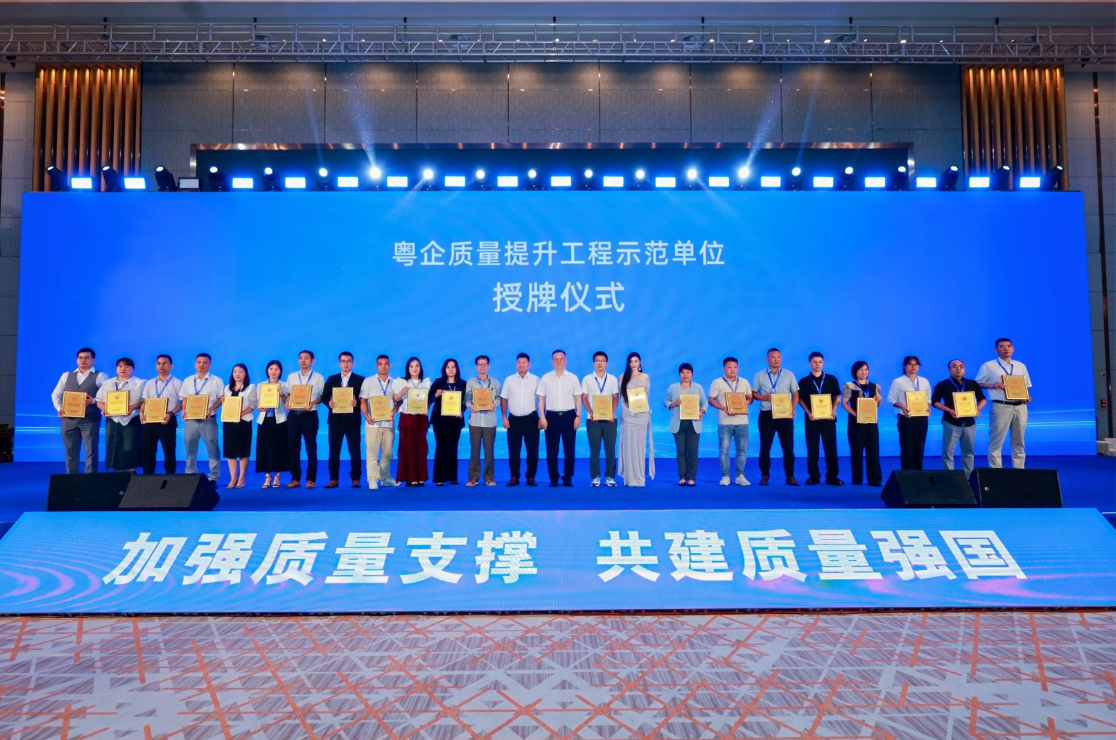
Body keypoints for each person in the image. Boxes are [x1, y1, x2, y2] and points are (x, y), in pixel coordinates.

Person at [976, 338, 1033, 469]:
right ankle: (996, 472)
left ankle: (1019, 471)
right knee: (996, 441)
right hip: (1001, 406)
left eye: (1009, 346)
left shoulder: (1020, 366)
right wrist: (992, 385)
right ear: (996, 350)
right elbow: (977, 384)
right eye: (1002, 346)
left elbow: (1025, 386)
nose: (1006, 349)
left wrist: (1027, 397)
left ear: (1013, 349)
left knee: (1019, 441)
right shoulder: (988, 366)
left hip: (1020, 407)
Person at [50, 347, 106, 474]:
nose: (83, 360)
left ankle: (90, 479)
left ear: (94, 360)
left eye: (87, 357)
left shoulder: (101, 376)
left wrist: (93, 401)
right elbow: (56, 394)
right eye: (80, 358)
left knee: (91, 451)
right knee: (70, 450)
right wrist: (60, 408)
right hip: (68, 420)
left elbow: (107, 396)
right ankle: (71, 478)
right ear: (77, 360)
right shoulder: (66, 375)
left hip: (90, 420)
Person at [752, 348, 800, 486]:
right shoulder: (759, 375)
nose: (776, 359)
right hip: (767, 415)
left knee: (788, 447)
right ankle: (765, 476)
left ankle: (790, 476)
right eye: (773, 357)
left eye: (778, 357)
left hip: (784, 415)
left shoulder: (789, 374)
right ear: (767, 359)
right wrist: (762, 397)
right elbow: (753, 393)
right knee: (765, 446)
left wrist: (792, 408)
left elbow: (795, 394)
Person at [932, 359, 987, 478]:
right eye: (955, 366)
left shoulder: (972, 383)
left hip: (969, 423)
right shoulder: (942, 384)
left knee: (969, 452)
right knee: (948, 452)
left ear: (964, 369)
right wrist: (949, 410)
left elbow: (982, 399)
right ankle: (950, 479)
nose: (958, 369)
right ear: (949, 369)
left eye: (961, 366)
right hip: (951, 422)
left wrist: (977, 409)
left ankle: (968, 478)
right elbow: (935, 402)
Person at [797, 352, 843, 486]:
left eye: (820, 362)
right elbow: (799, 399)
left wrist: (834, 410)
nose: (817, 364)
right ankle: (813, 476)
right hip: (812, 419)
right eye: (814, 362)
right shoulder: (804, 381)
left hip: (828, 419)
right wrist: (808, 412)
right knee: (812, 449)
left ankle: (832, 477)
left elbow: (837, 396)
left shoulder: (831, 379)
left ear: (823, 363)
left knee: (831, 448)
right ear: (809, 363)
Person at [538, 349, 582, 488]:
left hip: (569, 416)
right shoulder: (545, 378)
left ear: (565, 361)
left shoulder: (573, 378)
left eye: (561, 359)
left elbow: (577, 398)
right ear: (552, 361)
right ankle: (554, 477)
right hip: (551, 416)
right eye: (556, 359)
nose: (558, 361)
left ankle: (568, 477)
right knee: (552, 450)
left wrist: (578, 416)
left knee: (569, 449)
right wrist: (542, 417)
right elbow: (541, 399)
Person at [321, 351, 365, 489]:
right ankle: (333, 479)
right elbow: (324, 397)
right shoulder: (332, 379)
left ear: (353, 363)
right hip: (335, 421)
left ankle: (356, 479)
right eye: (343, 361)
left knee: (355, 451)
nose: (346, 364)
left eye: (348, 361)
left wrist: (357, 403)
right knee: (334, 451)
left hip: (352, 421)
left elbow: (365, 399)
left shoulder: (360, 380)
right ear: (339, 363)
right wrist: (329, 403)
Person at [707, 356, 753, 486]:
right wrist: (724, 408)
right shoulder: (717, 382)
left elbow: (750, 398)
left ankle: (740, 476)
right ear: (724, 368)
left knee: (742, 451)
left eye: (735, 367)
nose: (732, 369)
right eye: (729, 367)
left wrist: (744, 404)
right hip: (725, 422)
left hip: (742, 421)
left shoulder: (744, 382)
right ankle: (725, 476)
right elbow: (711, 400)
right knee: (724, 450)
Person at [359, 355, 401, 489]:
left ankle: (385, 477)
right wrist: (366, 416)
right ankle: (372, 479)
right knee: (372, 453)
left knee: (387, 453)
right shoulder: (368, 381)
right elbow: (363, 400)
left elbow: (399, 401)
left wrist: (394, 410)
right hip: (373, 424)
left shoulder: (395, 383)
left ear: (390, 366)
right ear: (376, 366)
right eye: (380, 364)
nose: (383, 366)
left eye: (386, 364)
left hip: (388, 423)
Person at [95, 357, 144, 471]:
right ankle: (118, 476)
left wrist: (133, 407)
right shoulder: (108, 383)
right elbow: (99, 401)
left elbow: (145, 401)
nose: (123, 369)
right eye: (120, 366)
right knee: (114, 447)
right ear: (116, 368)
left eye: (127, 366)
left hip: (132, 419)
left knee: (131, 447)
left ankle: (131, 475)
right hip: (112, 420)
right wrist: (105, 408)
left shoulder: (140, 383)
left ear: (133, 369)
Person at [285, 350, 325, 489]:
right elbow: (289, 395)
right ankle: (295, 478)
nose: (303, 361)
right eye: (300, 358)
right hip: (293, 416)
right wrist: (288, 402)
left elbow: (323, 396)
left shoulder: (319, 378)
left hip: (309, 416)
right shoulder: (291, 377)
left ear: (312, 361)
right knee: (293, 448)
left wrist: (312, 403)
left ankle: (311, 479)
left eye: (306, 358)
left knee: (311, 448)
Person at [840, 361, 884, 486]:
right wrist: (856, 415)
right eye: (860, 370)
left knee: (873, 451)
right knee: (856, 451)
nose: (864, 372)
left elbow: (876, 405)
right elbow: (844, 404)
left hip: (871, 423)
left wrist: (879, 401)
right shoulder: (849, 386)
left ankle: (875, 479)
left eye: (866, 369)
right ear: (855, 372)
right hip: (856, 423)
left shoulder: (875, 386)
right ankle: (857, 479)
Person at [501, 352, 540, 487]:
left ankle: (531, 477)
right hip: (514, 420)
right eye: (519, 362)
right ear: (515, 364)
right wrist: (504, 417)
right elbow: (504, 399)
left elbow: (541, 400)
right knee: (513, 450)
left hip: (531, 419)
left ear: (529, 365)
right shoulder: (509, 380)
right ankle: (514, 477)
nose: (521, 365)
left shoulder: (536, 379)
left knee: (533, 450)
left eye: (524, 362)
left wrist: (542, 417)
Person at [664, 362, 707, 486]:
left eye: (688, 372)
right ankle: (682, 477)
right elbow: (665, 401)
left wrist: (701, 412)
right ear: (679, 374)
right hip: (678, 422)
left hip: (693, 422)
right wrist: (673, 403)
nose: (685, 375)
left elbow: (704, 403)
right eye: (683, 372)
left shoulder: (698, 387)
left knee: (692, 451)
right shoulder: (673, 387)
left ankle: (692, 477)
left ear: (692, 374)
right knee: (681, 451)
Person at [581, 351, 619, 487]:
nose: (600, 363)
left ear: (606, 363)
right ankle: (595, 476)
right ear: (593, 363)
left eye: (602, 361)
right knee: (594, 449)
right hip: (593, 420)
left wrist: (612, 413)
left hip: (610, 420)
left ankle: (610, 476)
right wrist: (591, 412)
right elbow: (584, 398)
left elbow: (615, 397)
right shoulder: (587, 379)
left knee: (610, 449)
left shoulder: (613, 379)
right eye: (597, 361)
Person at [183, 352, 223, 482]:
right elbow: (184, 398)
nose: (201, 365)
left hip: (209, 420)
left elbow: (221, 399)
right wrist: (184, 409)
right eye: (199, 362)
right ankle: (191, 475)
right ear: (195, 364)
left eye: (205, 362)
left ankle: (214, 477)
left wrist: (210, 409)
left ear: (210, 365)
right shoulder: (188, 381)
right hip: (191, 420)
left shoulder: (216, 381)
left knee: (212, 448)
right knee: (190, 448)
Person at [140, 354, 182, 475]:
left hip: (167, 421)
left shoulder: (177, 383)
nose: (161, 366)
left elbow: (183, 403)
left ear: (171, 366)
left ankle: (170, 477)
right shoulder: (150, 383)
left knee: (169, 451)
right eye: (158, 363)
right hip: (149, 421)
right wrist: (142, 412)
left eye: (164, 363)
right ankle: (147, 478)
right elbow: (145, 401)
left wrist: (170, 413)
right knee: (148, 451)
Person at [887, 355, 931, 470]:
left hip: (922, 417)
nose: (913, 367)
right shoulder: (898, 382)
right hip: (906, 417)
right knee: (906, 446)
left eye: (916, 364)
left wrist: (928, 405)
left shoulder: (924, 381)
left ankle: (918, 471)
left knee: (920, 445)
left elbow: (928, 397)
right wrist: (903, 407)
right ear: (904, 366)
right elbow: (891, 399)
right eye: (910, 364)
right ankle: (906, 472)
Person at [618, 352, 654, 486]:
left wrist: (642, 409)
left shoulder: (645, 377)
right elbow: (622, 398)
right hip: (628, 416)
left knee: (639, 447)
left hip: (641, 416)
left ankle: (639, 478)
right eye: (631, 361)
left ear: (640, 363)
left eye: (636, 361)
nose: (633, 364)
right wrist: (628, 410)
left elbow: (645, 396)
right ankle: (629, 478)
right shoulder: (623, 377)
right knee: (628, 447)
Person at [395, 357, 431, 486]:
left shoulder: (426, 382)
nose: (414, 368)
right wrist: (401, 392)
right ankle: (410, 477)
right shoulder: (401, 381)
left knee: (420, 447)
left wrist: (427, 408)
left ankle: (420, 476)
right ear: (408, 368)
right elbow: (396, 398)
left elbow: (428, 401)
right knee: (407, 447)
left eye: (417, 366)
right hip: (407, 417)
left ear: (420, 367)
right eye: (411, 366)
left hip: (420, 417)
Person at [465, 355, 501, 487]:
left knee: (489, 451)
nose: (482, 366)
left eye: (484, 364)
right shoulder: (471, 383)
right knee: (474, 450)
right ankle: (473, 478)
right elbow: (467, 399)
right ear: (476, 367)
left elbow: (498, 398)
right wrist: (471, 406)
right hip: (475, 421)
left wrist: (495, 404)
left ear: (488, 366)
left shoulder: (495, 383)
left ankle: (489, 477)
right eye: (480, 364)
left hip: (490, 421)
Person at [430, 358, 466, 485]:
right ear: (444, 369)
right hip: (440, 421)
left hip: (455, 421)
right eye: (448, 367)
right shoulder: (438, 382)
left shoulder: (463, 383)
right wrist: (435, 395)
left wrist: (462, 410)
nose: (450, 369)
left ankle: (452, 476)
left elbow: (466, 401)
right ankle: (439, 477)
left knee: (453, 447)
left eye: (453, 367)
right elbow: (429, 398)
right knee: (441, 447)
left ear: (457, 369)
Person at [256, 360, 290, 488]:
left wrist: (281, 394)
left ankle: (277, 476)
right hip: (264, 419)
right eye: (271, 369)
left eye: (276, 369)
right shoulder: (261, 385)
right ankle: (267, 476)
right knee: (264, 448)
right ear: (267, 370)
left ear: (280, 371)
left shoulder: (285, 385)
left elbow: (288, 402)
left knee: (279, 448)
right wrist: (259, 408)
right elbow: (258, 403)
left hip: (279, 419)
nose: (273, 371)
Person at [222, 363, 257, 488]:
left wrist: (239, 415)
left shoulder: (251, 387)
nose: (237, 374)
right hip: (229, 424)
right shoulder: (227, 388)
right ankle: (233, 478)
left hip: (244, 423)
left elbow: (253, 405)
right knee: (230, 452)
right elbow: (226, 405)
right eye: (235, 371)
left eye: (240, 371)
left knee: (243, 451)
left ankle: (242, 477)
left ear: (245, 374)